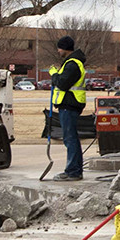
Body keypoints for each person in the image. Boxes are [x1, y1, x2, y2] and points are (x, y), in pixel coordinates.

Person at [48, 35, 87, 179]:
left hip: (70, 105)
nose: (58, 51)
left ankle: (73, 171)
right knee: (70, 138)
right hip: (68, 105)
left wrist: (53, 75)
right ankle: (73, 170)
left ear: (65, 48)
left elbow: (62, 83)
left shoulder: (73, 64)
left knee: (70, 139)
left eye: (59, 48)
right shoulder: (71, 63)